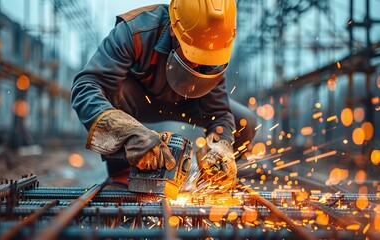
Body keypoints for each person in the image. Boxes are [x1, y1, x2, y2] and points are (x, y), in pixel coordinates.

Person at [71, 0, 257, 191]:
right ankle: (123, 176)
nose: (200, 67)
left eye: (209, 61)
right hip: (136, 103)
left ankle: (215, 181)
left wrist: (220, 147)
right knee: (109, 93)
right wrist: (125, 132)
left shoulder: (215, 44)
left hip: (191, 104)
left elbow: (220, 115)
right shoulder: (135, 31)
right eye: (193, 56)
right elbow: (86, 87)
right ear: (173, 31)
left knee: (244, 121)